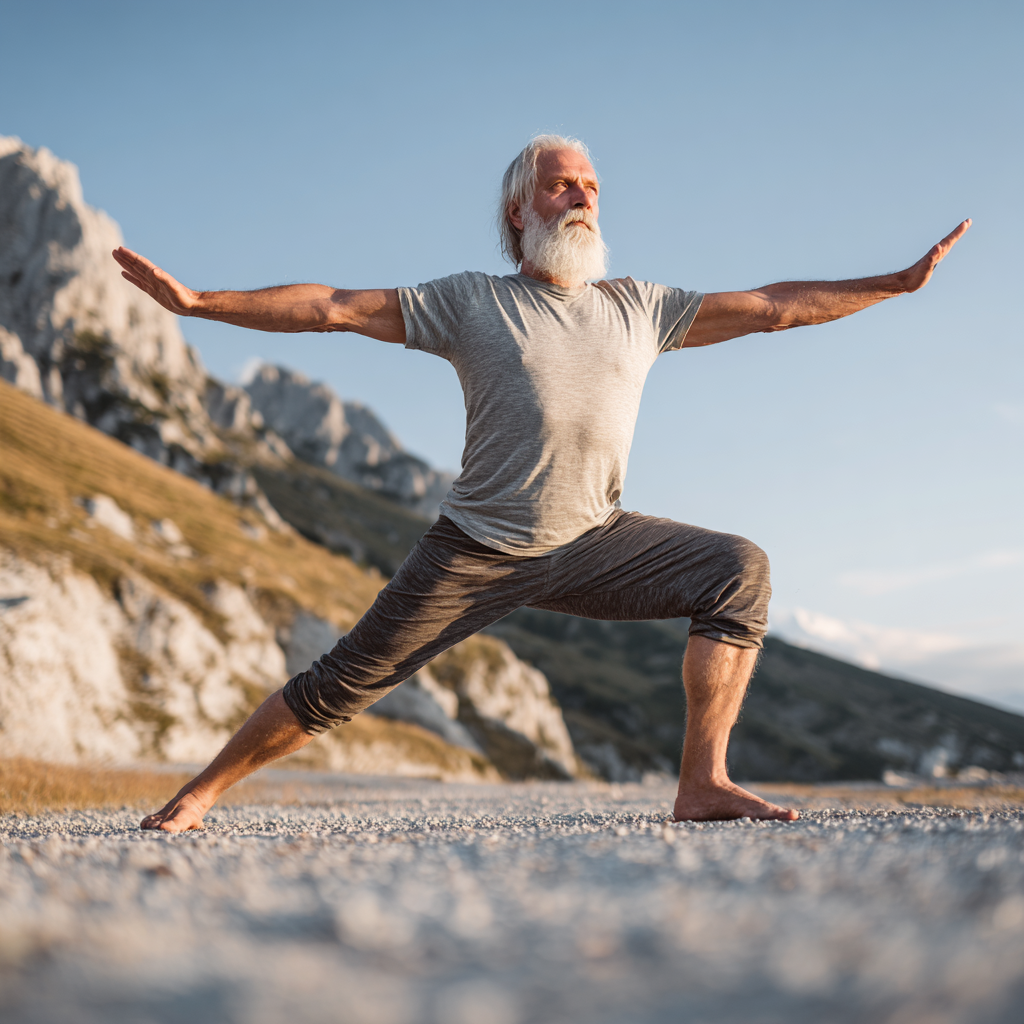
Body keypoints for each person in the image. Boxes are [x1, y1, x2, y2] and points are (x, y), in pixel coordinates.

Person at [113, 135, 969, 831]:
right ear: (520, 211)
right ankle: (200, 793)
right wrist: (197, 304)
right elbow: (332, 303)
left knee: (738, 571)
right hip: (474, 549)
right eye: (563, 185)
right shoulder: (469, 301)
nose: (583, 196)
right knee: (340, 683)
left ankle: (703, 782)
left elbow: (774, 304)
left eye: (591, 184)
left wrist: (890, 285)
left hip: (596, 542)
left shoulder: (642, 307)